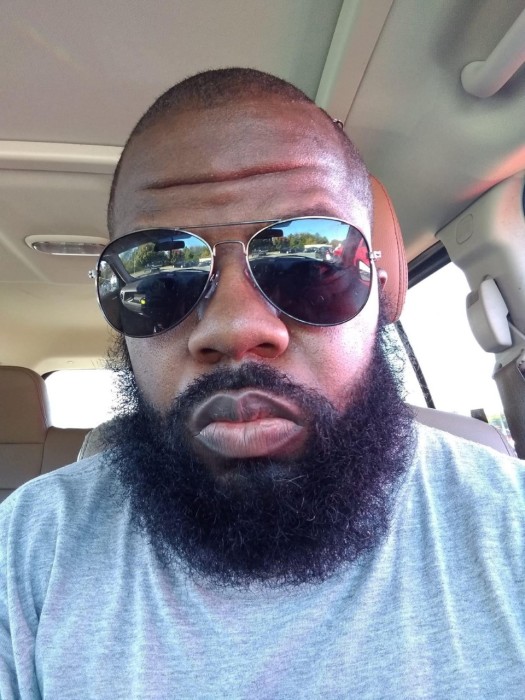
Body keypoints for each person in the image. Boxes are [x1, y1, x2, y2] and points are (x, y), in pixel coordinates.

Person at [0, 68, 523, 699]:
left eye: (308, 261)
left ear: (380, 292)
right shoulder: (28, 550)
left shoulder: (512, 528)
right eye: (159, 275)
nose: (234, 328)